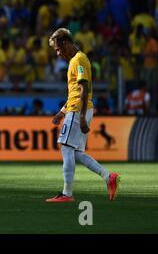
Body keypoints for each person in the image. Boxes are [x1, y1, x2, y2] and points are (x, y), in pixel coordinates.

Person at [47, 28, 120, 202]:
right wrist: (61, 112)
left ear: (65, 43)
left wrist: (79, 117)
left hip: (78, 110)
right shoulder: (77, 60)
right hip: (77, 108)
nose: (58, 53)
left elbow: (83, 88)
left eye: (58, 49)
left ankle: (67, 194)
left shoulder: (79, 60)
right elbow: (74, 92)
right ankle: (108, 177)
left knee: (65, 148)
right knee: (76, 152)